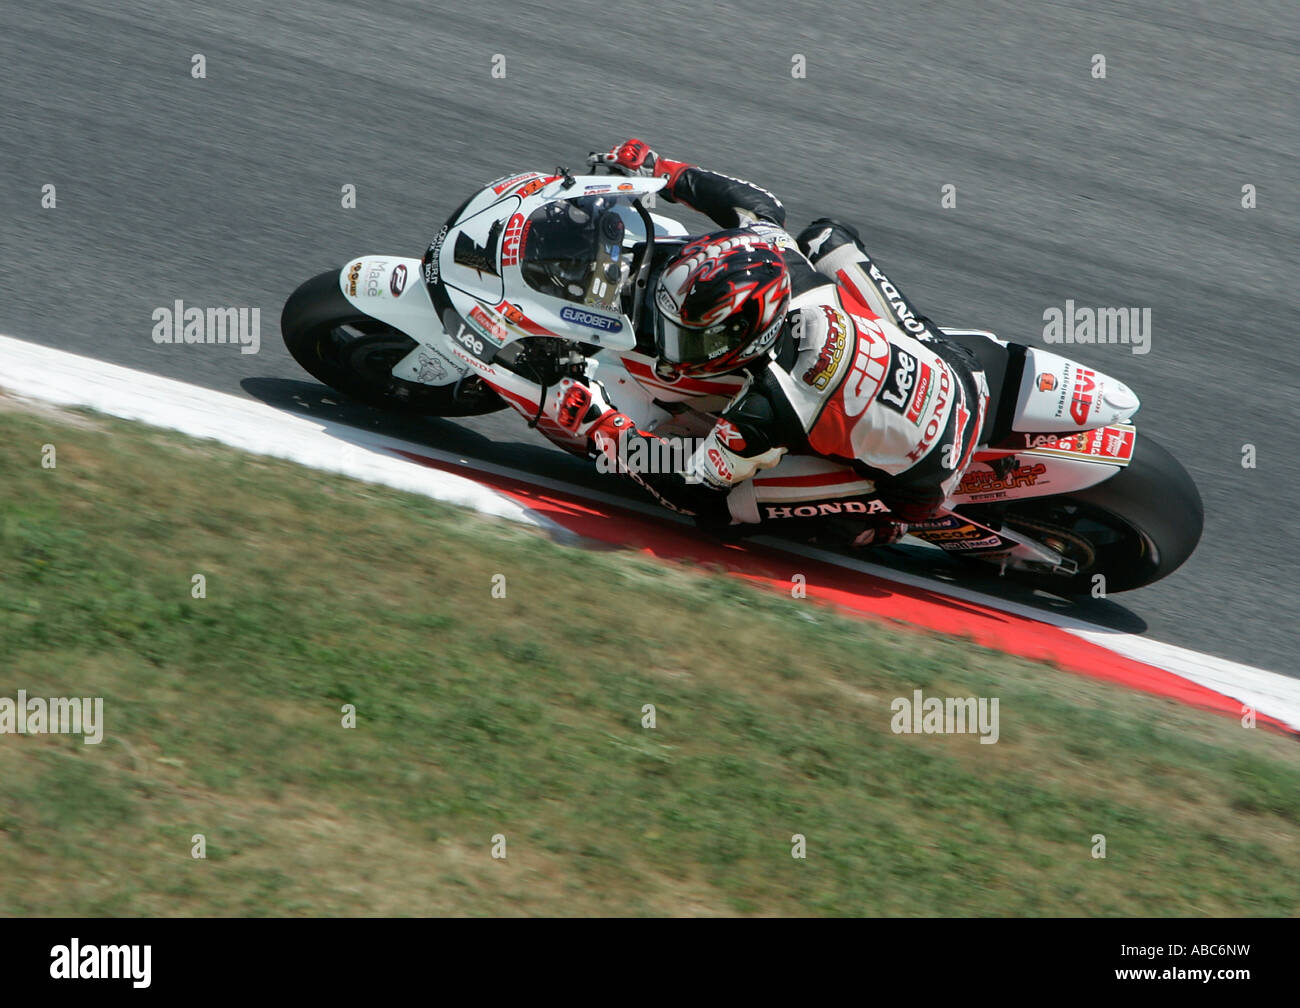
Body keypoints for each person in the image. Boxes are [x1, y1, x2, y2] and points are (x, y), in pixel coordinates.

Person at [572, 138, 989, 547]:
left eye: (692, 339)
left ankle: (873, 524)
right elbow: (759, 206)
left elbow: (693, 486)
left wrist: (603, 427)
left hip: (926, 479)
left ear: (746, 333)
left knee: (721, 512)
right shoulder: (780, 257)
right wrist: (664, 171)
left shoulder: (763, 407)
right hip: (960, 372)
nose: (676, 350)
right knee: (826, 238)